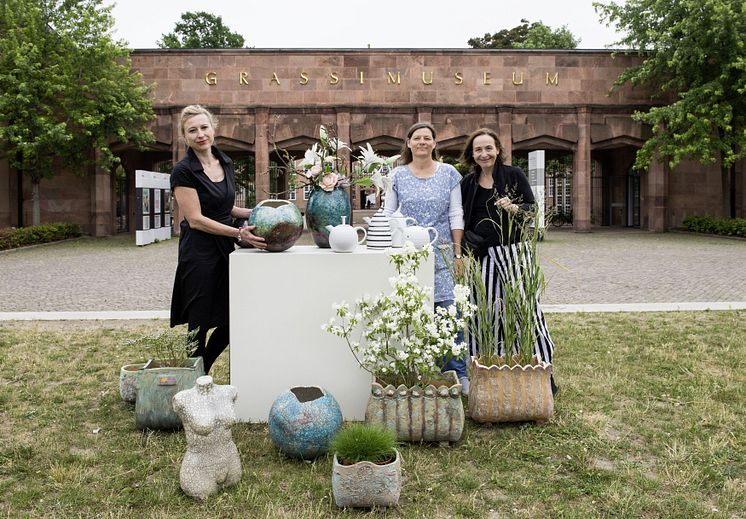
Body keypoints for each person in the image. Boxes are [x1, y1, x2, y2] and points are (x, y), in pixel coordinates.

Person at [459, 127, 557, 394]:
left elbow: (532, 210)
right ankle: (486, 374)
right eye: (478, 149)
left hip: (514, 254)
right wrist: (466, 238)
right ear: (472, 154)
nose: (484, 154)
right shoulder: (467, 183)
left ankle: (541, 374)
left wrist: (515, 208)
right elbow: (460, 217)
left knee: (526, 312)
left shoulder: (514, 175)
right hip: (481, 259)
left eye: (488, 148)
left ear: (498, 150)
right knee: (483, 314)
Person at [170, 105, 266, 374]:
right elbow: (196, 218)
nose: (200, 134)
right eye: (192, 130)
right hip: (198, 253)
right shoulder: (183, 171)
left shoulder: (225, 162)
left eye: (204, 127)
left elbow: (226, 208)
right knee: (199, 324)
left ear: (213, 128)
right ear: (185, 136)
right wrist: (238, 232)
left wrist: (263, 210)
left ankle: (200, 373)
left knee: (232, 318)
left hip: (225, 249)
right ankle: (194, 383)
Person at [383, 122, 469, 394]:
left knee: (448, 311)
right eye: (417, 138)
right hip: (408, 254)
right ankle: (417, 370)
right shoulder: (397, 175)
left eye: (427, 138)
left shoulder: (449, 173)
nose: (422, 142)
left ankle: (456, 373)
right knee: (410, 311)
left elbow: (456, 213)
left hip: (442, 250)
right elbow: (389, 214)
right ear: (408, 143)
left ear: (434, 144)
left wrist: (458, 252)